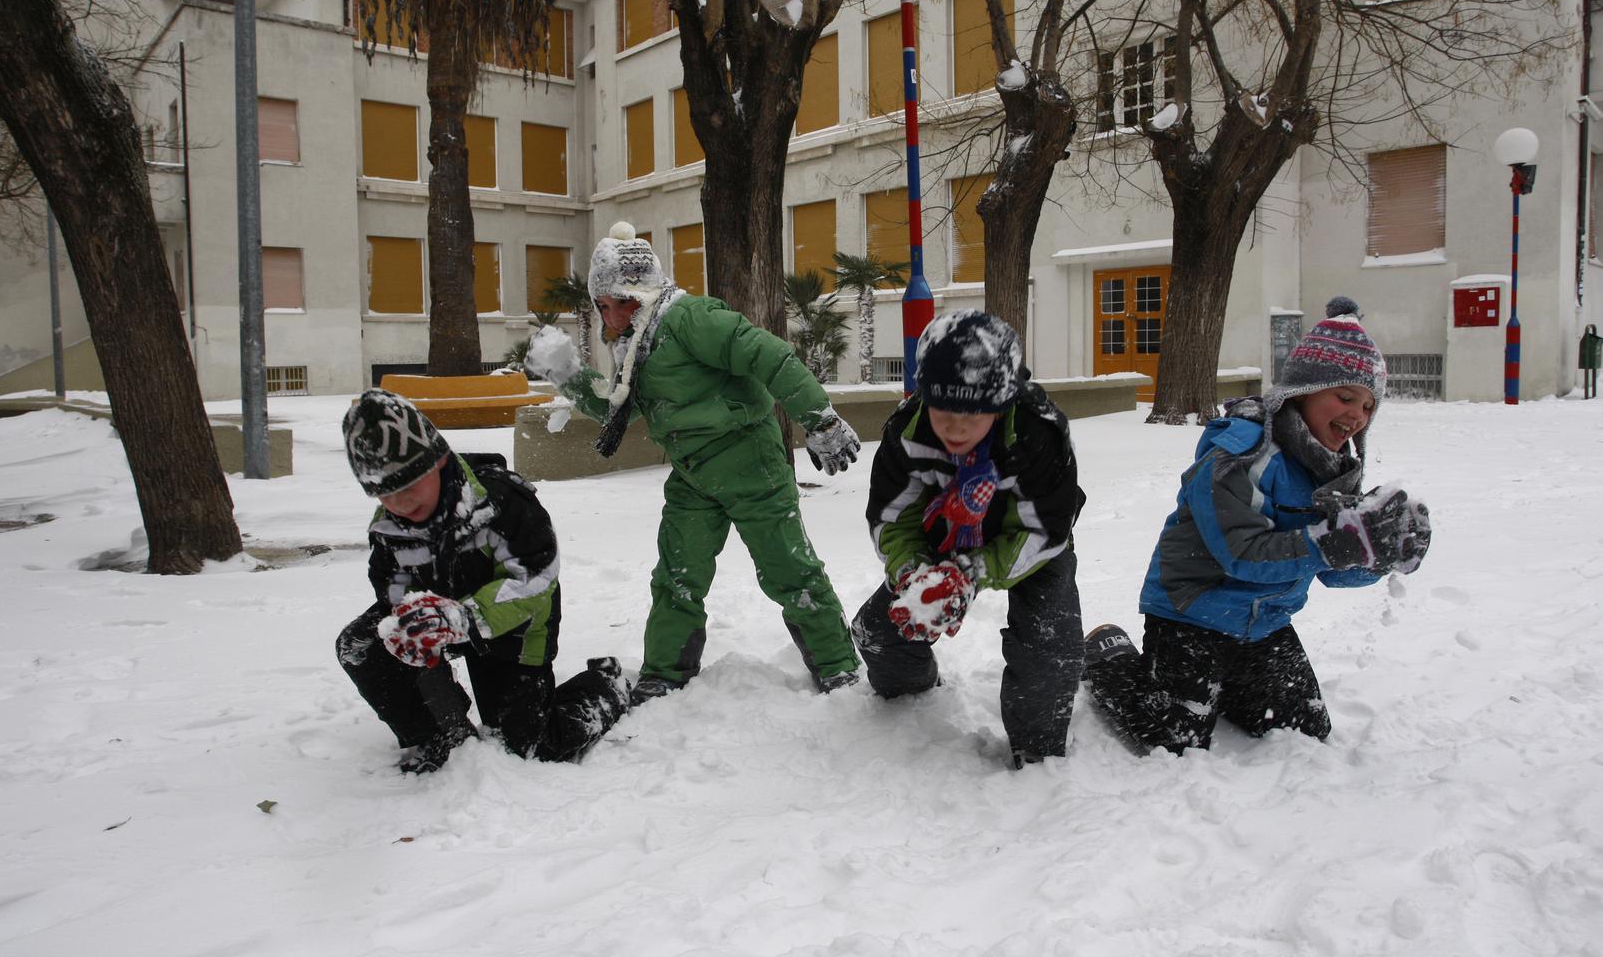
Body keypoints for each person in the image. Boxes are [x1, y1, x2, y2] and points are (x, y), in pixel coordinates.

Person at [526, 222, 863, 703]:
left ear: (641, 294)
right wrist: (567, 373)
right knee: (677, 576)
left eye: (618, 302)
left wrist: (820, 419)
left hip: (751, 465)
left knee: (791, 570)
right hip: (692, 475)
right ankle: (665, 672)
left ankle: (837, 667)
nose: (610, 316)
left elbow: (769, 355)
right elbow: (617, 411)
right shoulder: (637, 347)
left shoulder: (690, 319)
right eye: (602, 306)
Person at [1083, 297, 1432, 756]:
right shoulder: (1241, 451)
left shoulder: (1334, 468)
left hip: (1264, 625)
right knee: (1175, 740)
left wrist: (1375, 556)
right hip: (1190, 614)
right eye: (1345, 397)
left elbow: (1331, 570)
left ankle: (1222, 688)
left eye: (1368, 407)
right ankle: (1110, 657)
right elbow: (1240, 552)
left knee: (1304, 730)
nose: (1356, 416)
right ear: (1303, 391)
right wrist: (1331, 543)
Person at [335, 388, 629, 774]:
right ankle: (435, 735)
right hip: (442, 619)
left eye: (408, 485)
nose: (400, 502)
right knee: (360, 646)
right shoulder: (390, 528)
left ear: (438, 461)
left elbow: (534, 576)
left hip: (516, 625)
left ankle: (606, 687)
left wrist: (465, 619)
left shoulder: (502, 502)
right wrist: (409, 620)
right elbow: (390, 582)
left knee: (526, 747)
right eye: (384, 493)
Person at [849, 310, 1087, 769]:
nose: (955, 427)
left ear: (1001, 404)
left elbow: (1046, 529)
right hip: (941, 539)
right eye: (944, 411)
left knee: (1048, 648)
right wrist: (914, 573)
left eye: (973, 415)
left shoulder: (1038, 433)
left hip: (1030, 548)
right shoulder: (908, 432)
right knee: (877, 633)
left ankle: (1037, 751)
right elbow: (890, 518)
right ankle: (910, 697)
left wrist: (974, 573)